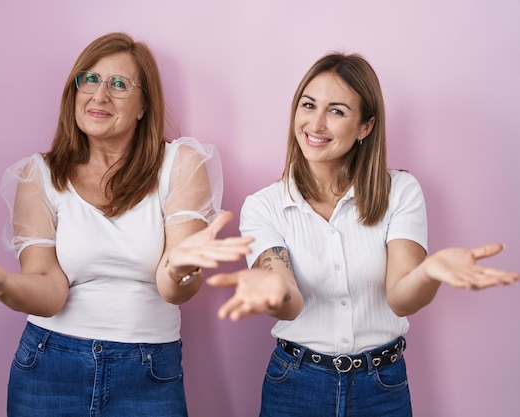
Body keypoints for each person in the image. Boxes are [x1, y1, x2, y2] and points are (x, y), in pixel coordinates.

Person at [0, 32, 252, 417]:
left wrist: (180, 266)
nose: (99, 95)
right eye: (89, 79)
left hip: (148, 372)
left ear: (143, 106)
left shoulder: (180, 164)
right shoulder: (37, 175)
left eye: (119, 84)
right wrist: (0, 283)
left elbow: (175, 291)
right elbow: (50, 290)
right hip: (48, 367)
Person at [207, 52, 520, 417]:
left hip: (382, 387)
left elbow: (401, 298)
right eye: (308, 105)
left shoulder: (400, 191)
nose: (316, 124)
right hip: (295, 386)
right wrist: (274, 292)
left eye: (337, 111)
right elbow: (289, 302)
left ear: (365, 127)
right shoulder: (264, 205)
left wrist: (430, 271)